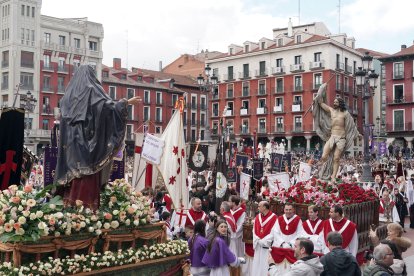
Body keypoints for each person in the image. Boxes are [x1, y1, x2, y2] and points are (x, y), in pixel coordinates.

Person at [55, 65, 141, 210]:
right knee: (87, 179)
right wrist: (125, 103)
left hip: (70, 149)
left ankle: (70, 209)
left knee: (73, 179)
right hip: (88, 150)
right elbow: (108, 108)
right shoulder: (91, 90)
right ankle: (87, 212)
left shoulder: (67, 98)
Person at [312, 83, 359, 182]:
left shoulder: (345, 114)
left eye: (336, 102)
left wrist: (358, 134)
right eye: (334, 102)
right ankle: (323, 171)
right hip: (332, 137)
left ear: (340, 103)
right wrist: (320, 92)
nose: (334, 103)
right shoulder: (332, 111)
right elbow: (321, 103)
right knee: (324, 156)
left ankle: (333, 176)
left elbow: (351, 125)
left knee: (336, 158)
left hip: (341, 138)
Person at [251, 201, 277, 276]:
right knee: (257, 264)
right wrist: (257, 239)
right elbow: (254, 230)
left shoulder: (274, 217)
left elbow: (274, 231)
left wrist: (264, 241)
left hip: (266, 247)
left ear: (265, 207)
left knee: (265, 265)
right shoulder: (258, 216)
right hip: (258, 245)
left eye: (259, 206)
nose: (258, 208)